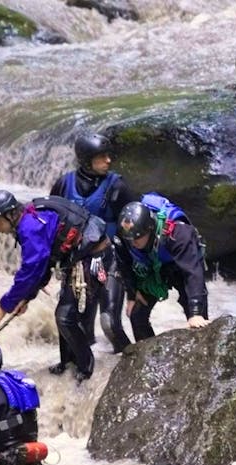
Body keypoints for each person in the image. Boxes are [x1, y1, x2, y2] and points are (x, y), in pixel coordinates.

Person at [0, 190, 108, 382]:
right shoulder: (30, 217)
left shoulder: (30, 227)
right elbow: (42, 267)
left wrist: (4, 306)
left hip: (93, 256)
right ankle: (67, 362)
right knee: (63, 315)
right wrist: (26, 298)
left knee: (65, 317)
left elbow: (31, 270)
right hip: (77, 257)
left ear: (11, 214)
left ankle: (86, 367)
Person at [50, 133, 139, 354]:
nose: (108, 160)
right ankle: (84, 372)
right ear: (86, 160)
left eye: (108, 156)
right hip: (78, 263)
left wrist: (133, 285)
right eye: (101, 157)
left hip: (110, 259)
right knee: (76, 325)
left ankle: (131, 362)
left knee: (109, 322)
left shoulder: (117, 186)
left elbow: (133, 229)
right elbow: (53, 224)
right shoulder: (64, 184)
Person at [116, 195, 209, 340]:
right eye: (130, 239)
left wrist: (196, 312)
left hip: (180, 267)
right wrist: (132, 293)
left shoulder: (179, 234)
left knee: (198, 322)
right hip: (152, 267)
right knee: (137, 316)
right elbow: (125, 264)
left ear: (150, 229)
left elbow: (193, 273)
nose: (133, 243)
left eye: (137, 238)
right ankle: (147, 356)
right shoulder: (125, 235)